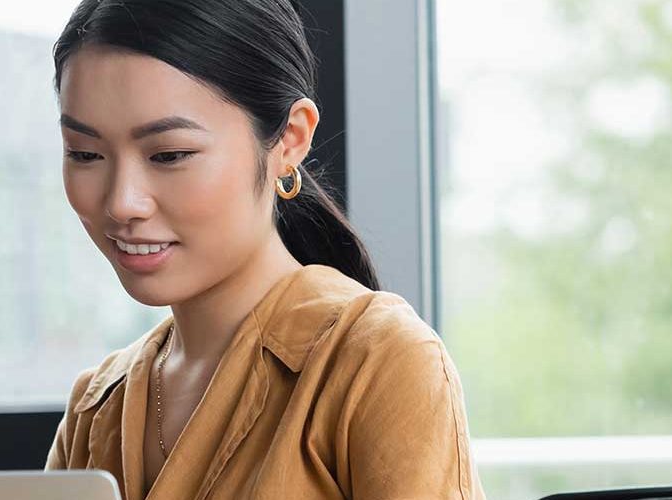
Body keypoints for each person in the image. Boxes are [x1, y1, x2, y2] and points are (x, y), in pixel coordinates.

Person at [43, 0, 484, 498]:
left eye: (170, 155)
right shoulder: (97, 404)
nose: (122, 203)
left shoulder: (376, 361)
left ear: (290, 140)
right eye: (85, 154)